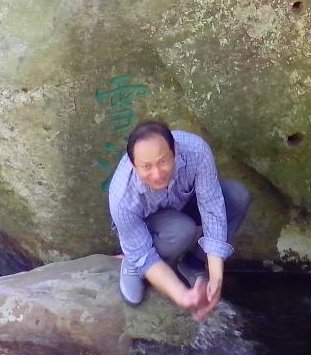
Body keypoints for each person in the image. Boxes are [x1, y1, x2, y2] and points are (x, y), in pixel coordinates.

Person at [108, 120, 251, 321]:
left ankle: (193, 262)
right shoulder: (121, 196)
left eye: (163, 161)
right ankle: (131, 261)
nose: (157, 173)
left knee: (237, 196)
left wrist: (216, 276)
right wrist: (181, 295)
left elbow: (212, 207)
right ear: (133, 165)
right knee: (181, 229)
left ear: (174, 150)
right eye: (146, 167)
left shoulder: (196, 151)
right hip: (148, 226)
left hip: (182, 205)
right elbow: (145, 255)